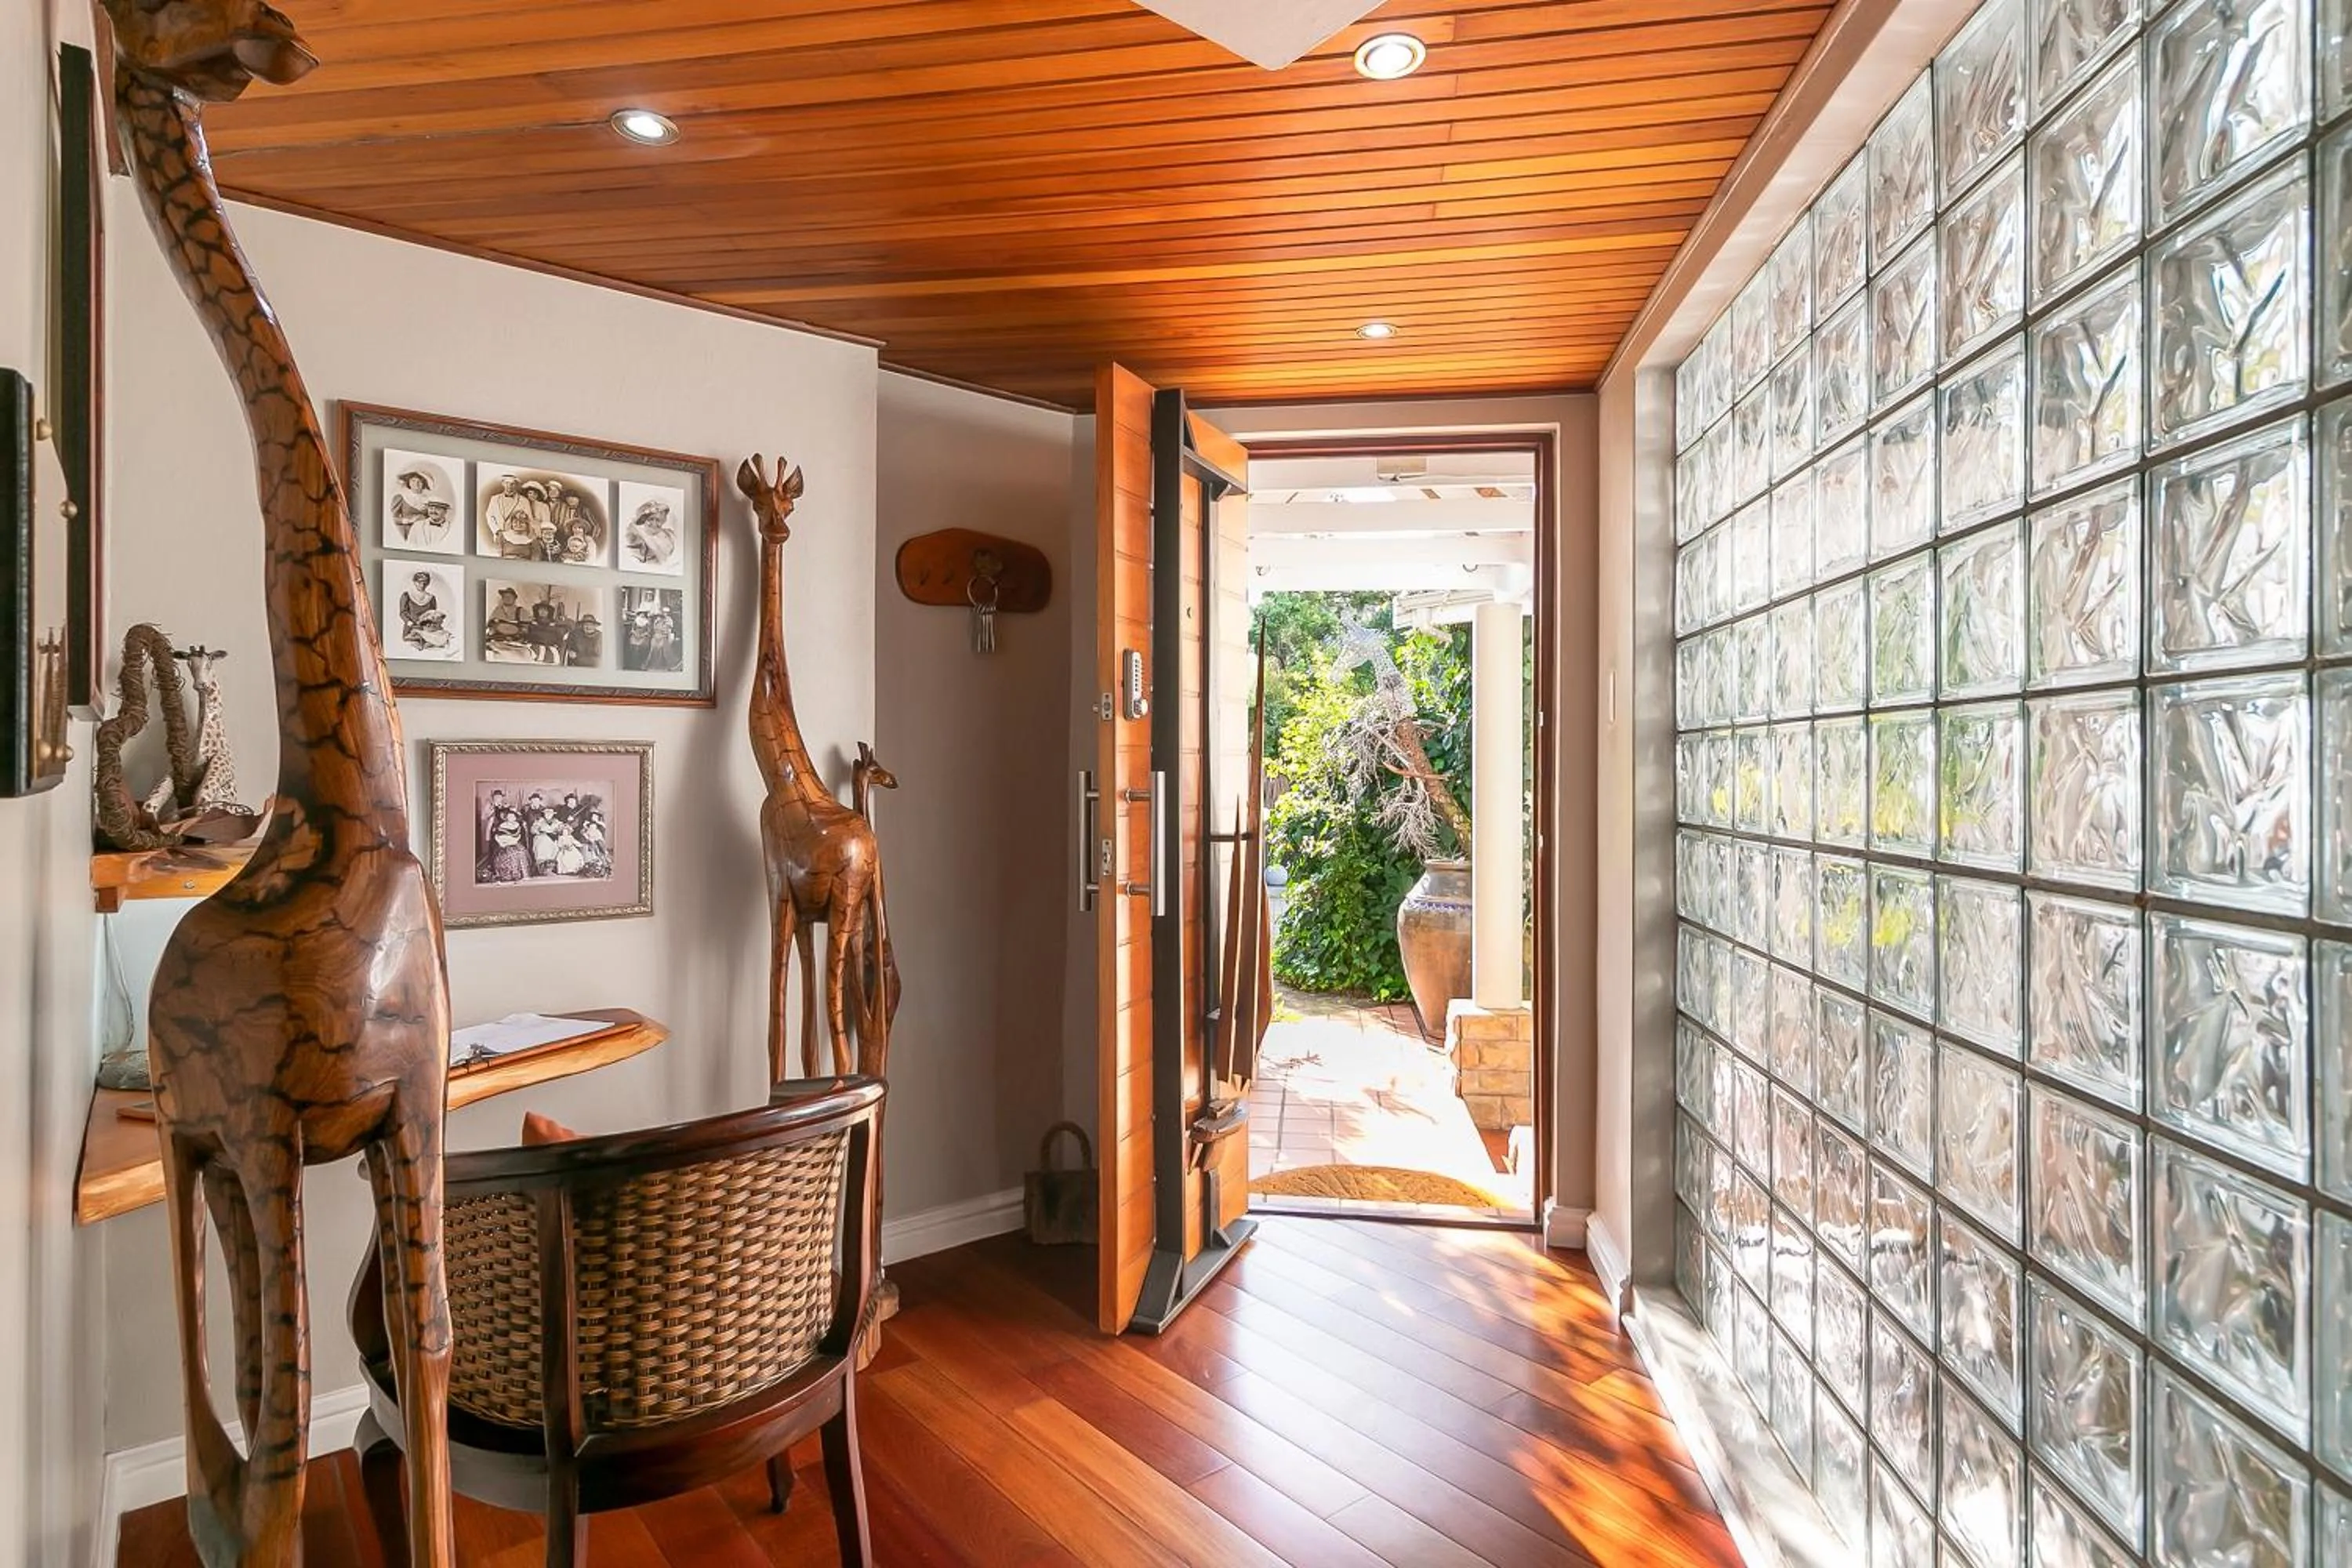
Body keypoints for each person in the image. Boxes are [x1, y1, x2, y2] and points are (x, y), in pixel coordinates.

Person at [388, 468, 452, 550]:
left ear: (424, 484)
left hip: (424, 532)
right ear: (409, 483)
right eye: (413, 481)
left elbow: (436, 517)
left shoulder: (429, 500)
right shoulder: (401, 497)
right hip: (405, 531)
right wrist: (408, 520)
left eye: (420, 482)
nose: (416, 484)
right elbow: (390, 519)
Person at [478, 790, 530, 884]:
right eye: (496, 797)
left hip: (508, 833)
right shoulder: (490, 807)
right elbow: (485, 818)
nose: (498, 799)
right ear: (493, 798)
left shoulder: (504, 807)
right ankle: (498, 872)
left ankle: (519, 873)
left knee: (519, 851)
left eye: (500, 797)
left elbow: (513, 815)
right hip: (497, 832)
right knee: (495, 852)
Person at [484, 474, 536, 557]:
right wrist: (497, 531)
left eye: (512, 484)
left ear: (516, 485)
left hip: (518, 536)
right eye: (507, 483)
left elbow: (529, 518)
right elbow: (490, 516)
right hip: (498, 536)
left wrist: (529, 533)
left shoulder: (523, 500)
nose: (509, 486)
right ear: (503, 484)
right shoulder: (494, 499)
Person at [397, 571, 449, 652]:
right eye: (419, 582)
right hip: (411, 629)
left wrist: (433, 623)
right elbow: (403, 613)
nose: (422, 585)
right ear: (414, 582)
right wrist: (410, 623)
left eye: (425, 583)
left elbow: (433, 615)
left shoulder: (431, 598)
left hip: (428, 629)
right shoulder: (406, 595)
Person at [624, 498, 677, 571]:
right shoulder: (636, 539)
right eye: (651, 519)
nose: (654, 523)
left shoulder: (670, 536)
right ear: (643, 521)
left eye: (658, 520)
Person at [485, 585, 529, 657]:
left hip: (516, 643)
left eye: (510, 597)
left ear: (515, 599)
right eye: (505, 597)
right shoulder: (497, 610)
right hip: (498, 641)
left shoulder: (522, 611)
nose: (507, 599)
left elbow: (527, 628)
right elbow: (489, 626)